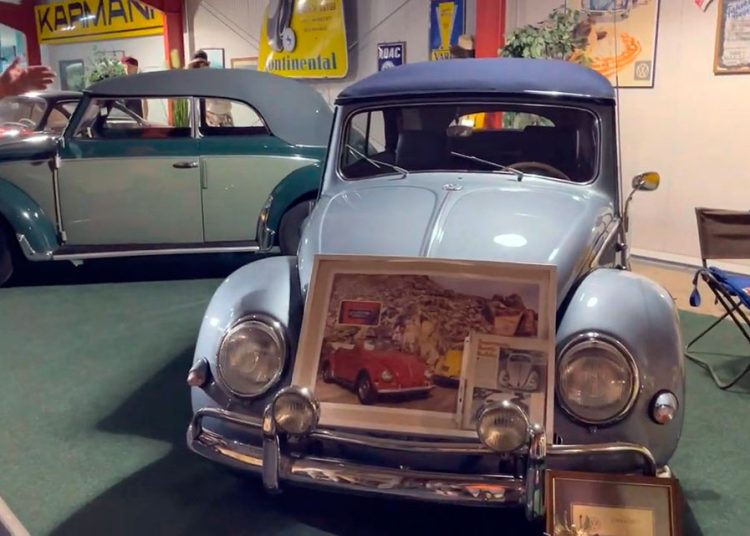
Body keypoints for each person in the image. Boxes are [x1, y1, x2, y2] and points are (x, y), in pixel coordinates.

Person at [187, 50, 234, 127]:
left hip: (218, 119)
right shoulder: (198, 78)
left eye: (196, 65)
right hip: (209, 118)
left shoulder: (213, 76)